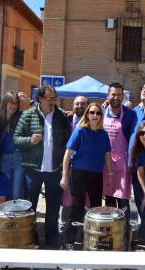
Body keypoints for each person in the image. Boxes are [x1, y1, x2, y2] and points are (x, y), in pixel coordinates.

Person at [14, 84, 70, 249]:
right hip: (33, 170)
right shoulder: (28, 115)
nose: (52, 101)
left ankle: (51, 239)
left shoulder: (62, 116)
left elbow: (68, 143)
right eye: (49, 98)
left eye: (54, 98)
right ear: (39, 98)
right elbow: (16, 139)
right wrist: (29, 140)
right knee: (30, 206)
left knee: (53, 208)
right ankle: (31, 237)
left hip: (55, 171)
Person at [60, 103, 113, 247]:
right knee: (77, 208)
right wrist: (64, 175)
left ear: (101, 116)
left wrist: (109, 173)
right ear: (87, 115)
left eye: (98, 113)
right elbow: (68, 154)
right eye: (92, 113)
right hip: (79, 175)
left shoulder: (103, 134)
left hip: (96, 175)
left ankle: (94, 240)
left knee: (96, 208)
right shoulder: (80, 131)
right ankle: (69, 241)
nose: (95, 115)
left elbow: (107, 155)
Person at [59, 94, 89, 249]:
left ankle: (80, 240)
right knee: (66, 205)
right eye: (77, 104)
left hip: (85, 171)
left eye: (83, 104)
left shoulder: (93, 123)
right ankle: (62, 240)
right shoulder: (66, 120)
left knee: (83, 206)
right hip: (67, 169)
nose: (79, 107)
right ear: (72, 106)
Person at [102, 83, 136, 222]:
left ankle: (125, 234)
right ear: (108, 96)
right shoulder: (101, 112)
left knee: (123, 202)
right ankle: (111, 233)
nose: (116, 97)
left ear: (123, 96)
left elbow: (134, 137)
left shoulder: (130, 114)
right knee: (109, 200)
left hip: (123, 164)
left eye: (119, 95)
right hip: (105, 162)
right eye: (113, 94)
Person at [0, 91, 26, 199]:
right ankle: (5, 215)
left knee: (16, 193)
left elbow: (35, 113)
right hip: (3, 158)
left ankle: (17, 215)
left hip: (18, 157)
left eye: (16, 103)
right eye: (11, 103)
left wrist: (28, 101)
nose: (13, 106)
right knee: (4, 191)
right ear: (5, 103)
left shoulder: (21, 115)